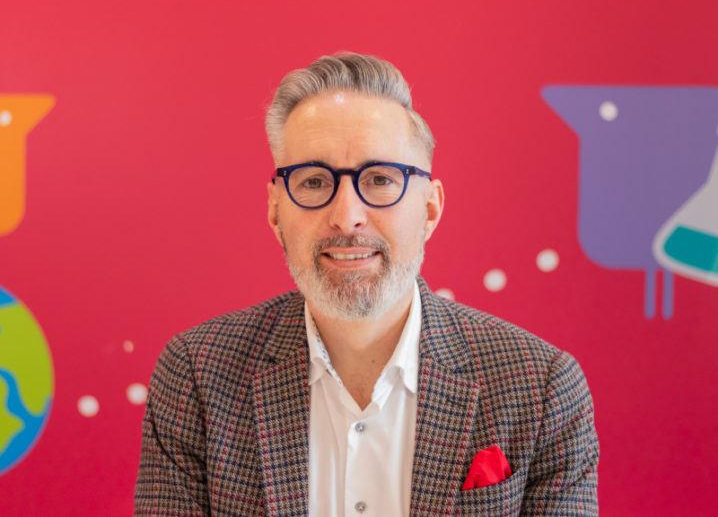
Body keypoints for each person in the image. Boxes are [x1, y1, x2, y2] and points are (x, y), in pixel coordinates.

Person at [134, 52, 599, 516]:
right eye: (314, 182)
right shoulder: (197, 376)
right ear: (276, 209)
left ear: (430, 209)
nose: (347, 217)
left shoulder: (541, 388)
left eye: (379, 179)